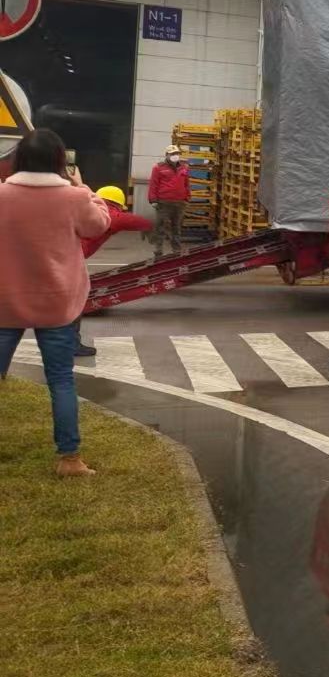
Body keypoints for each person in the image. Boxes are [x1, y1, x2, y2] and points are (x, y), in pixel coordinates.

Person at [0, 128, 111, 476]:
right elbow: (99, 225)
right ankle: (69, 459)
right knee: (61, 380)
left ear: (18, 159)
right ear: (60, 161)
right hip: (57, 304)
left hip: (5, 302)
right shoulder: (74, 197)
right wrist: (86, 189)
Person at [72, 186, 153, 357]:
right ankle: (71, 344)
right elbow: (138, 222)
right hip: (69, 259)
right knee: (74, 302)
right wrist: (155, 226)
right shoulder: (111, 214)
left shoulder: (88, 209)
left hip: (60, 256)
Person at [148, 144, 189, 258]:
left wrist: (187, 197)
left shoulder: (184, 167)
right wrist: (153, 200)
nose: (175, 156)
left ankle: (176, 250)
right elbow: (153, 184)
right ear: (167, 155)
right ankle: (158, 250)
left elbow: (186, 184)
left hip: (179, 203)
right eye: (172, 154)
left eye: (176, 154)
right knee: (160, 226)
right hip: (163, 203)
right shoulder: (158, 168)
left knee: (176, 227)